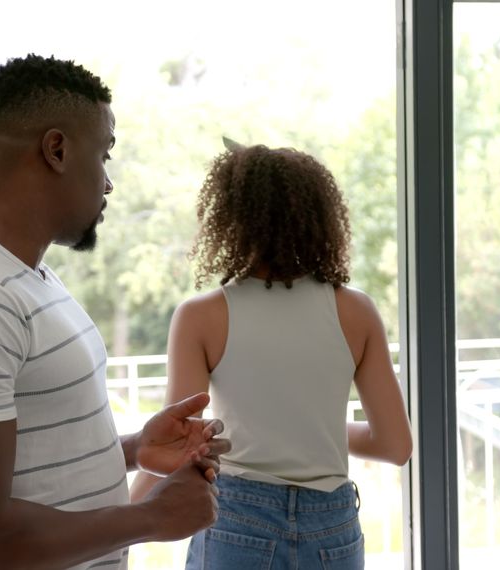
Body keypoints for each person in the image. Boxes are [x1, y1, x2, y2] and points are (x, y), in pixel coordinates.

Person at [0, 54, 229, 570]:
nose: (108, 183)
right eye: (105, 154)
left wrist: (133, 449)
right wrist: (153, 517)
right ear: (57, 149)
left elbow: (24, 465)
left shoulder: (22, 278)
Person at [130, 144, 413, 569]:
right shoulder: (356, 312)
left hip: (236, 519)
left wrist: (126, 524)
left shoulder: (201, 317)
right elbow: (395, 446)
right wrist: (316, 427)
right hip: (331, 526)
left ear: (229, 221)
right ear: (319, 217)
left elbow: (176, 445)